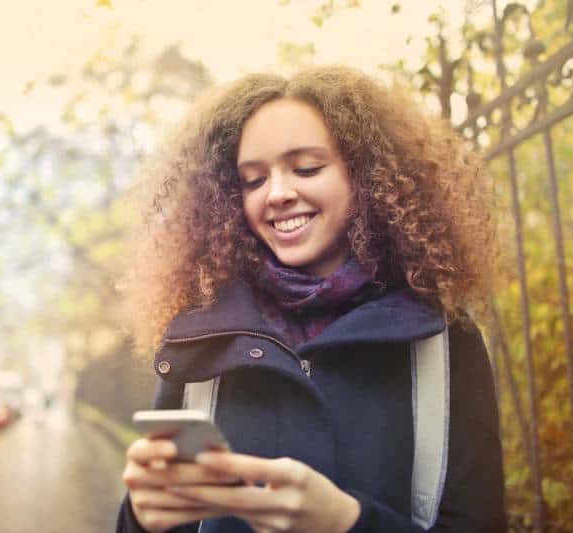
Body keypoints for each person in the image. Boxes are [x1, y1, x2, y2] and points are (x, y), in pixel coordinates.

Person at [115, 66, 506, 532]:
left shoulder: (444, 341)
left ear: (365, 175)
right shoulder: (200, 333)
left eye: (306, 168)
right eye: (253, 180)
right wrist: (140, 517)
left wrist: (348, 523)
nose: (278, 193)